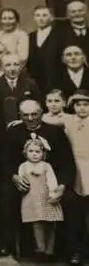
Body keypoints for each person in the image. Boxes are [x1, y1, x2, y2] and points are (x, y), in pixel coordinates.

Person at [0, 100, 75, 259]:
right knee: (6, 196)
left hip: (50, 182)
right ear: (20, 116)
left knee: (70, 200)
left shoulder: (55, 132)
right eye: (25, 115)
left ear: (41, 113)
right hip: (24, 181)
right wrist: (15, 178)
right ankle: (9, 244)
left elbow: (67, 163)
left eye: (34, 114)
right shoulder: (12, 132)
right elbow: (4, 161)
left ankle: (69, 250)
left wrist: (61, 186)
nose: (30, 118)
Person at [18, 139, 63, 262]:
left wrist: (54, 192)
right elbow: (21, 181)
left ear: (43, 153)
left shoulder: (46, 166)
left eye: (37, 151)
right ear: (25, 152)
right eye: (31, 151)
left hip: (46, 197)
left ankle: (50, 251)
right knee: (37, 223)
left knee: (51, 223)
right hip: (32, 198)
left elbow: (52, 180)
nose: (34, 154)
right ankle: (40, 249)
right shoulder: (23, 166)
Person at [62, 90, 89, 265]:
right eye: (78, 105)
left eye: (86, 104)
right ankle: (76, 251)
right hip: (76, 169)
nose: (82, 108)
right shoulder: (69, 120)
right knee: (76, 214)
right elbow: (47, 119)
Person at [27, 6, 62, 95]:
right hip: (35, 80)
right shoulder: (30, 37)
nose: (41, 18)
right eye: (38, 15)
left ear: (51, 18)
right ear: (34, 18)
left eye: (44, 15)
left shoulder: (59, 35)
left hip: (55, 79)